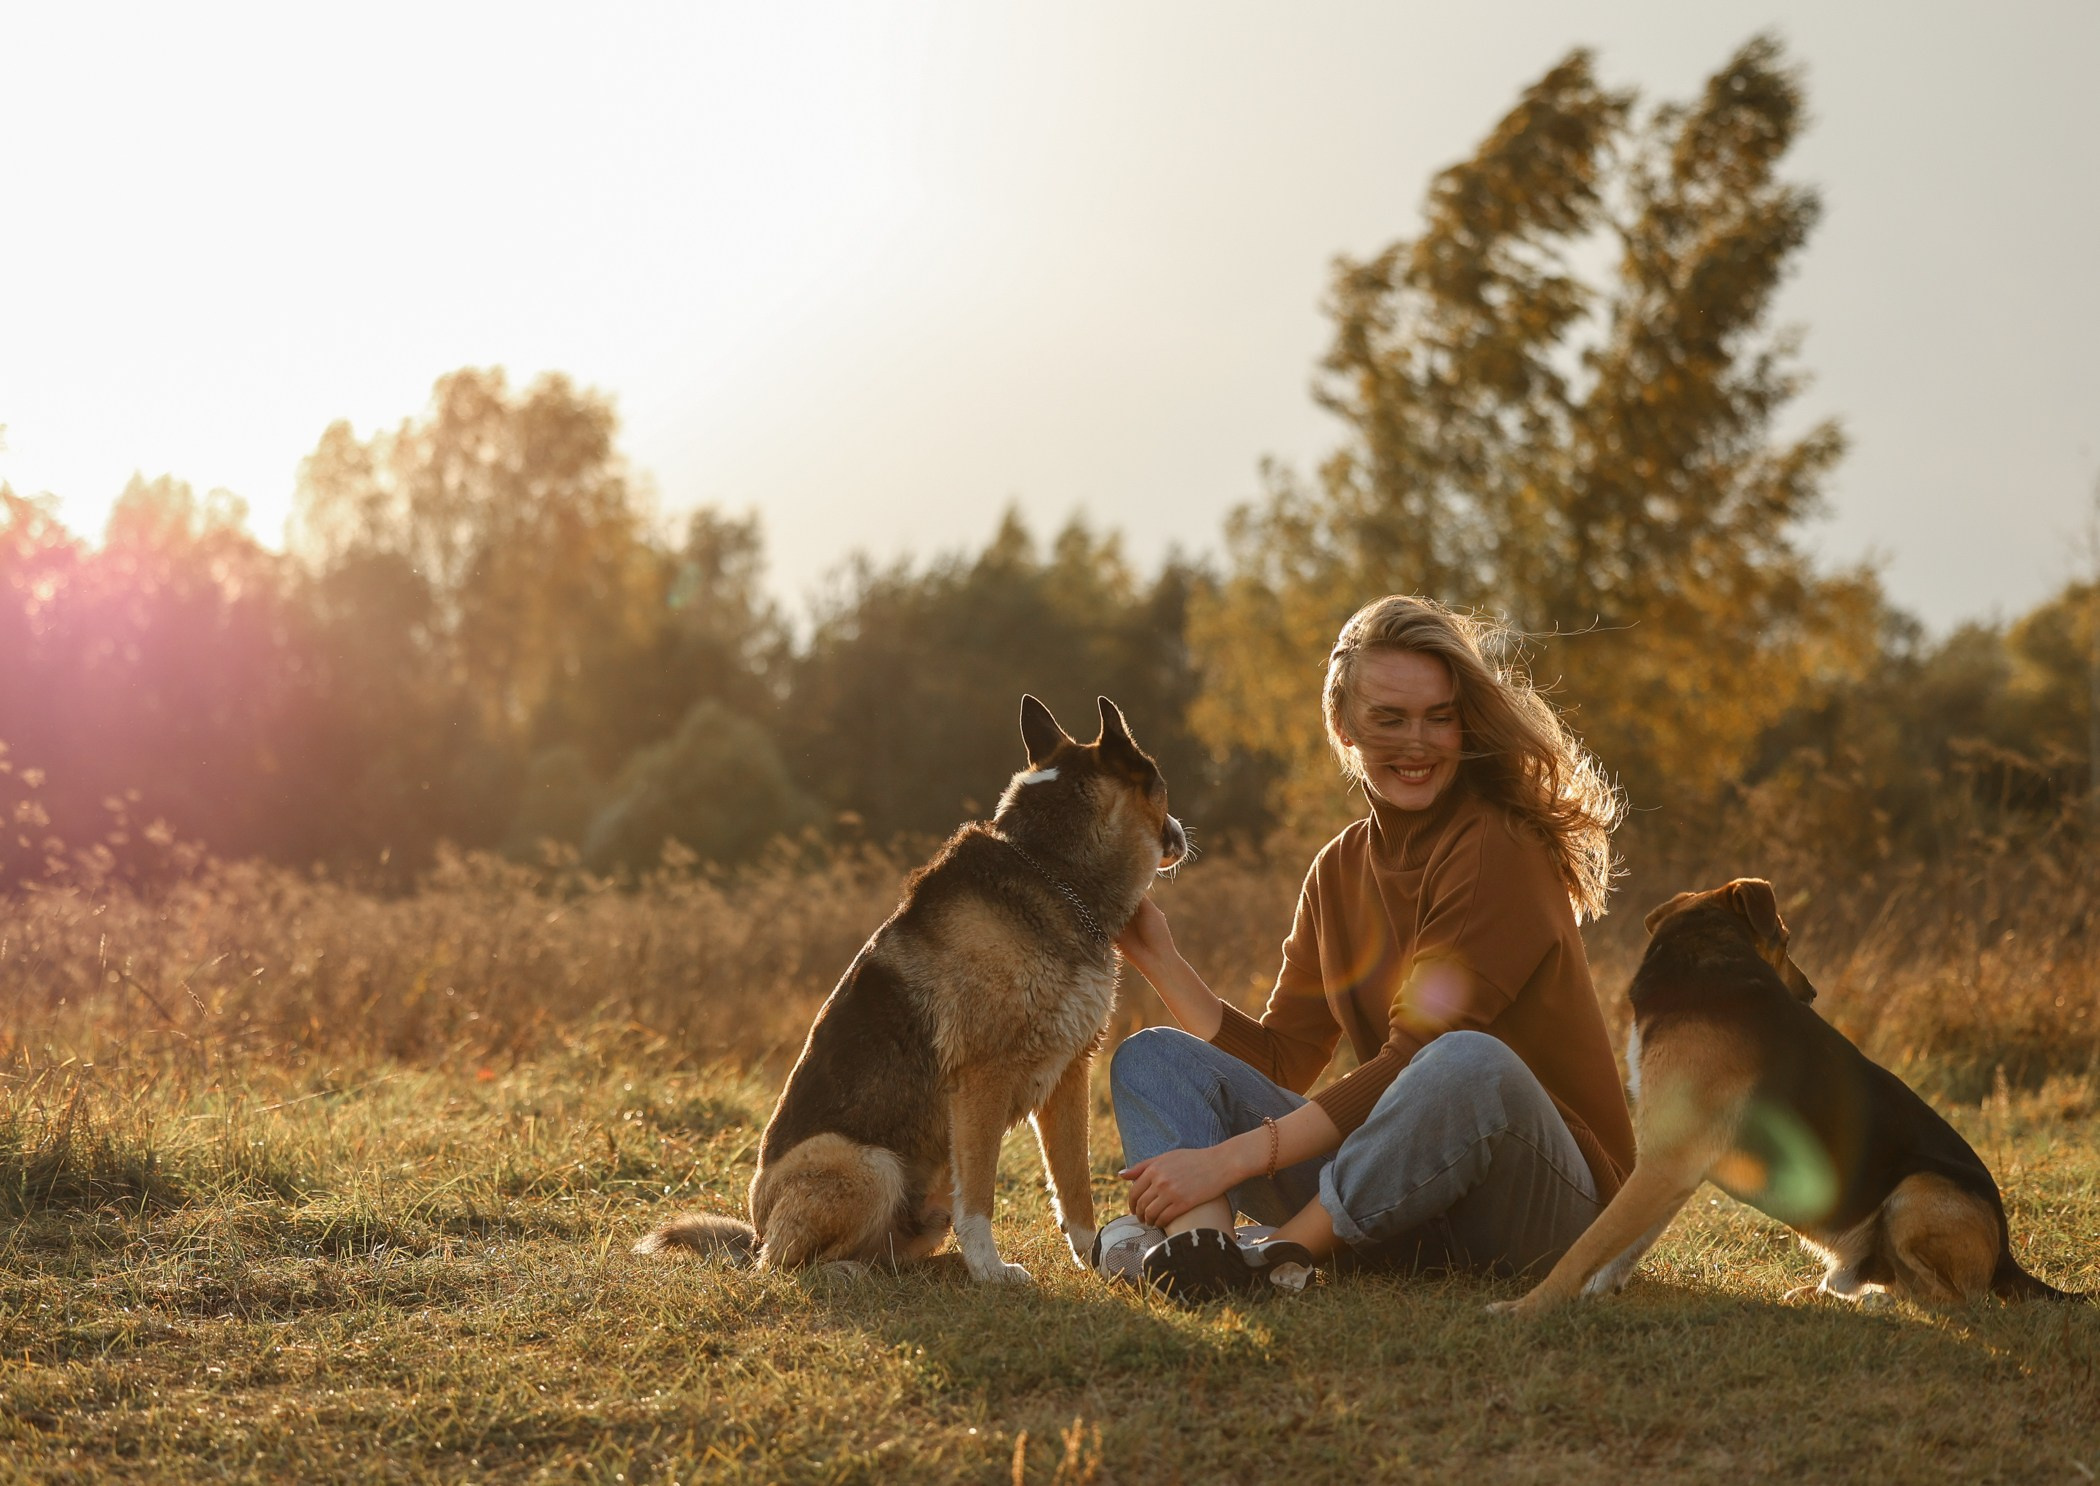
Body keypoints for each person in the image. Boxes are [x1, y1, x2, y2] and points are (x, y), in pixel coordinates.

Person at [1098, 594, 1636, 1300]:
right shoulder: (1338, 869)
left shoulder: (1499, 845)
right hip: (1409, 1195)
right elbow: (1284, 1057)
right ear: (1344, 726)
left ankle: (1285, 1253)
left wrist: (1228, 1161)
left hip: (1552, 1210)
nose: (1417, 741)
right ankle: (1206, 1255)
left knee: (1465, 1062)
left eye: (1439, 718)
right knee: (1153, 1057)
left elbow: (1421, 1058)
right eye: (1389, 718)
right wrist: (1160, 958)